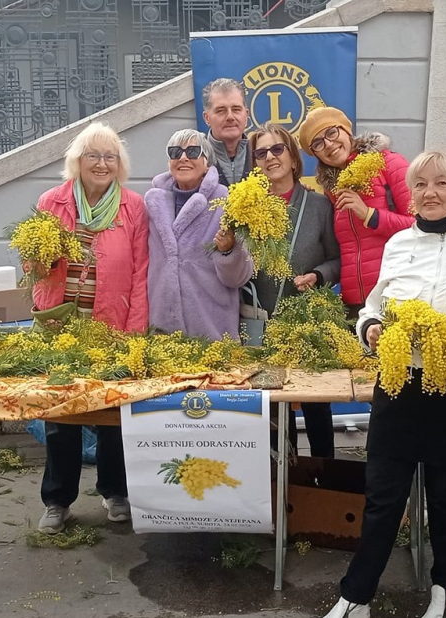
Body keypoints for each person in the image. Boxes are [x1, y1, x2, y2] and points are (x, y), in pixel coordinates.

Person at [323, 150, 446, 618]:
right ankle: (356, 596)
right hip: (398, 381)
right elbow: (371, 307)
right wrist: (370, 330)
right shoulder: (399, 243)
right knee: (383, 492)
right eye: (421, 184)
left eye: (442, 183)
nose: (430, 193)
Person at [31, 121, 149, 533]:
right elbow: (37, 269)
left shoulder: (133, 206)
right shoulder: (52, 202)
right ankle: (57, 500)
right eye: (93, 156)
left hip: (112, 323)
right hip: (62, 324)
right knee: (61, 415)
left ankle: (115, 491)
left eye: (110, 156)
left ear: (120, 165)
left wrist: (133, 330)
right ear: (77, 162)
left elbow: (140, 271)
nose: (101, 164)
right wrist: (37, 259)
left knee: (113, 412)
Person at [248, 123, 342, 457]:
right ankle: (279, 484)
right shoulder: (247, 208)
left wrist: (318, 275)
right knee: (270, 409)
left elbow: (337, 260)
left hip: (307, 323)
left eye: (277, 149)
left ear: (292, 157)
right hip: (259, 326)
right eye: (260, 153)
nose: (270, 158)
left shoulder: (319, 206)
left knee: (316, 407)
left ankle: (325, 478)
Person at [298, 106, 414, 317]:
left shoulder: (389, 163)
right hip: (354, 305)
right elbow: (343, 251)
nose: (329, 144)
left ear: (345, 130)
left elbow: (420, 226)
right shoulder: (332, 190)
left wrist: (370, 215)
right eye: (318, 143)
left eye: (332, 132)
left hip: (394, 296)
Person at [145, 129, 253, 338]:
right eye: (175, 152)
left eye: (193, 151)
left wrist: (229, 250)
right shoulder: (152, 204)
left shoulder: (226, 203)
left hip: (211, 329)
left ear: (207, 163)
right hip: (161, 331)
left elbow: (239, 277)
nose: (183, 157)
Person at [202, 78, 251, 186]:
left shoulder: (261, 154)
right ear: (207, 118)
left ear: (246, 115)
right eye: (221, 111)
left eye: (236, 109)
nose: (230, 117)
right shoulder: (194, 156)